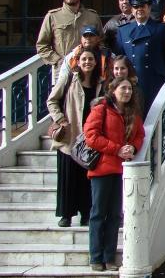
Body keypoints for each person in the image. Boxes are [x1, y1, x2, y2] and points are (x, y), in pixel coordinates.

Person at [84, 77, 144, 272]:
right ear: (113, 90)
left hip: (121, 170)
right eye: (123, 88)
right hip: (102, 169)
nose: (127, 92)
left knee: (115, 215)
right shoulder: (101, 109)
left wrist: (132, 148)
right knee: (98, 214)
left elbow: (139, 135)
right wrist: (117, 149)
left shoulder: (132, 113)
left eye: (129, 89)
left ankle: (109, 257)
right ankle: (95, 256)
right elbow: (91, 136)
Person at [46, 47, 103, 228]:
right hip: (70, 136)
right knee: (68, 176)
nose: (87, 62)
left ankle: (86, 212)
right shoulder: (69, 79)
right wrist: (61, 119)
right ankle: (66, 214)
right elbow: (52, 100)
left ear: (96, 62)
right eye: (84, 59)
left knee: (86, 177)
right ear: (78, 61)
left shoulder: (101, 83)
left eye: (91, 59)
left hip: (90, 137)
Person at [114, 0, 165, 116]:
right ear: (132, 10)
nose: (139, 10)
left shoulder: (161, 29)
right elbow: (120, 57)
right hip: (131, 83)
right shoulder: (124, 31)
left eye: (143, 6)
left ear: (149, 8)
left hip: (154, 82)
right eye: (136, 7)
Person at [36, 0, 103, 82]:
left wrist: (96, 59)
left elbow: (101, 41)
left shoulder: (93, 17)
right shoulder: (53, 16)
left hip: (89, 68)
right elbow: (42, 45)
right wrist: (57, 60)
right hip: (64, 69)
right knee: (64, 97)